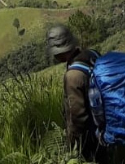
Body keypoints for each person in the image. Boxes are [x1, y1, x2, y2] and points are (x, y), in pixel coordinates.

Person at [46, 24, 109, 164]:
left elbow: (76, 117)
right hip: (104, 128)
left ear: (59, 51)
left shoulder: (73, 76)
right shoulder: (92, 54)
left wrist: (71, 148)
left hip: (90, 138)